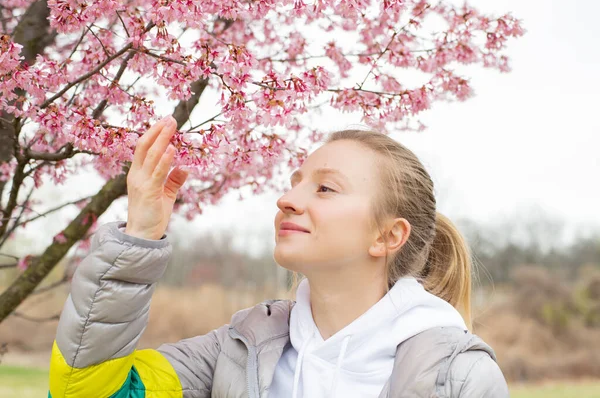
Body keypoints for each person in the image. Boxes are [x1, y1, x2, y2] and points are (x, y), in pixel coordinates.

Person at [48, 115, 509, 398]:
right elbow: (82, 392)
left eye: (325, 188)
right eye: (295, 182)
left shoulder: (457, 377)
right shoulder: (236, 351)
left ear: (388, 236)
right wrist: (140, 236)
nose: (287, 199)